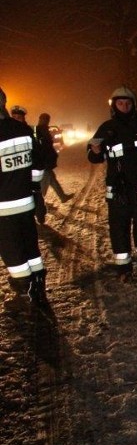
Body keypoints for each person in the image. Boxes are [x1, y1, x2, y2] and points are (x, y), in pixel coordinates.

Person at [87, 86, 137, 278]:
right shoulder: (106, 128)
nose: (124, 106)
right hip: (117, 187)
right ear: (114, 105)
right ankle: (123, 268)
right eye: (120, 103)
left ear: (134, 105)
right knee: (119, 227)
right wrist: (94, 151)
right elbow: (93, 154)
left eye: (128, 103)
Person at [0, 88, 49, 309]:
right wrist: (32, 186)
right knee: (30, 247)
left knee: (13, 252)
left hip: (3, 208)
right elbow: (39, 163)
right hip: (25, 202)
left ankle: (25, 294)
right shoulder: (23, 130)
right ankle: (38, 288)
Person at [36, 112, 73, 204]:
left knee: (52, 179)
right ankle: (39, 203)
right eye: (45, 119)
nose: (47, 122)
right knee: (44, 183)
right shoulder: (41, 130)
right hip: (44, 162)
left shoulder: (41, 129)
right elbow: (45, 147)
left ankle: (62, 196)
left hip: (44, 161)